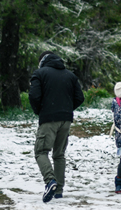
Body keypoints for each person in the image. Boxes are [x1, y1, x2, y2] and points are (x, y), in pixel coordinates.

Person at [29, 51, 85, 203]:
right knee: (59, 154)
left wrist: (40, 111)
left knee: (41, 151)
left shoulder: (40, 74)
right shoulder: (70, 75)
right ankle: (59, 190)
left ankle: (50, 181)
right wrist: (66, 109)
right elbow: (80, 97)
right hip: (66, 119)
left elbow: (34, 96)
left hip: (48, 118)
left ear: (42, 62)